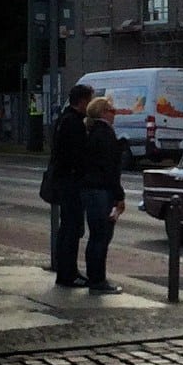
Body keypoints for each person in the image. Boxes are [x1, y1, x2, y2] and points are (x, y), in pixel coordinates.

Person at [80, 97, 126, 294]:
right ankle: (98, 280)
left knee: (95, 236)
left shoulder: (91, 132)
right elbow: (110, 169)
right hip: (102, 191)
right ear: (102, 113)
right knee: (102, 236)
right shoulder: (105, 134)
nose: (114, 113)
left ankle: (94, 277)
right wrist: (119, 195)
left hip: (90, 189)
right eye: (111, 110)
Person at [52, 84, 94, 287]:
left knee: (67, 228)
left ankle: (66, 271)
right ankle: (68, 273)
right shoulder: (74, 123)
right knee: (72, 228)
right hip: (71, 182)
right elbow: (78, 155)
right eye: (90, 100)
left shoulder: (64, 119)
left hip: (64, 180)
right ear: (83, 101)